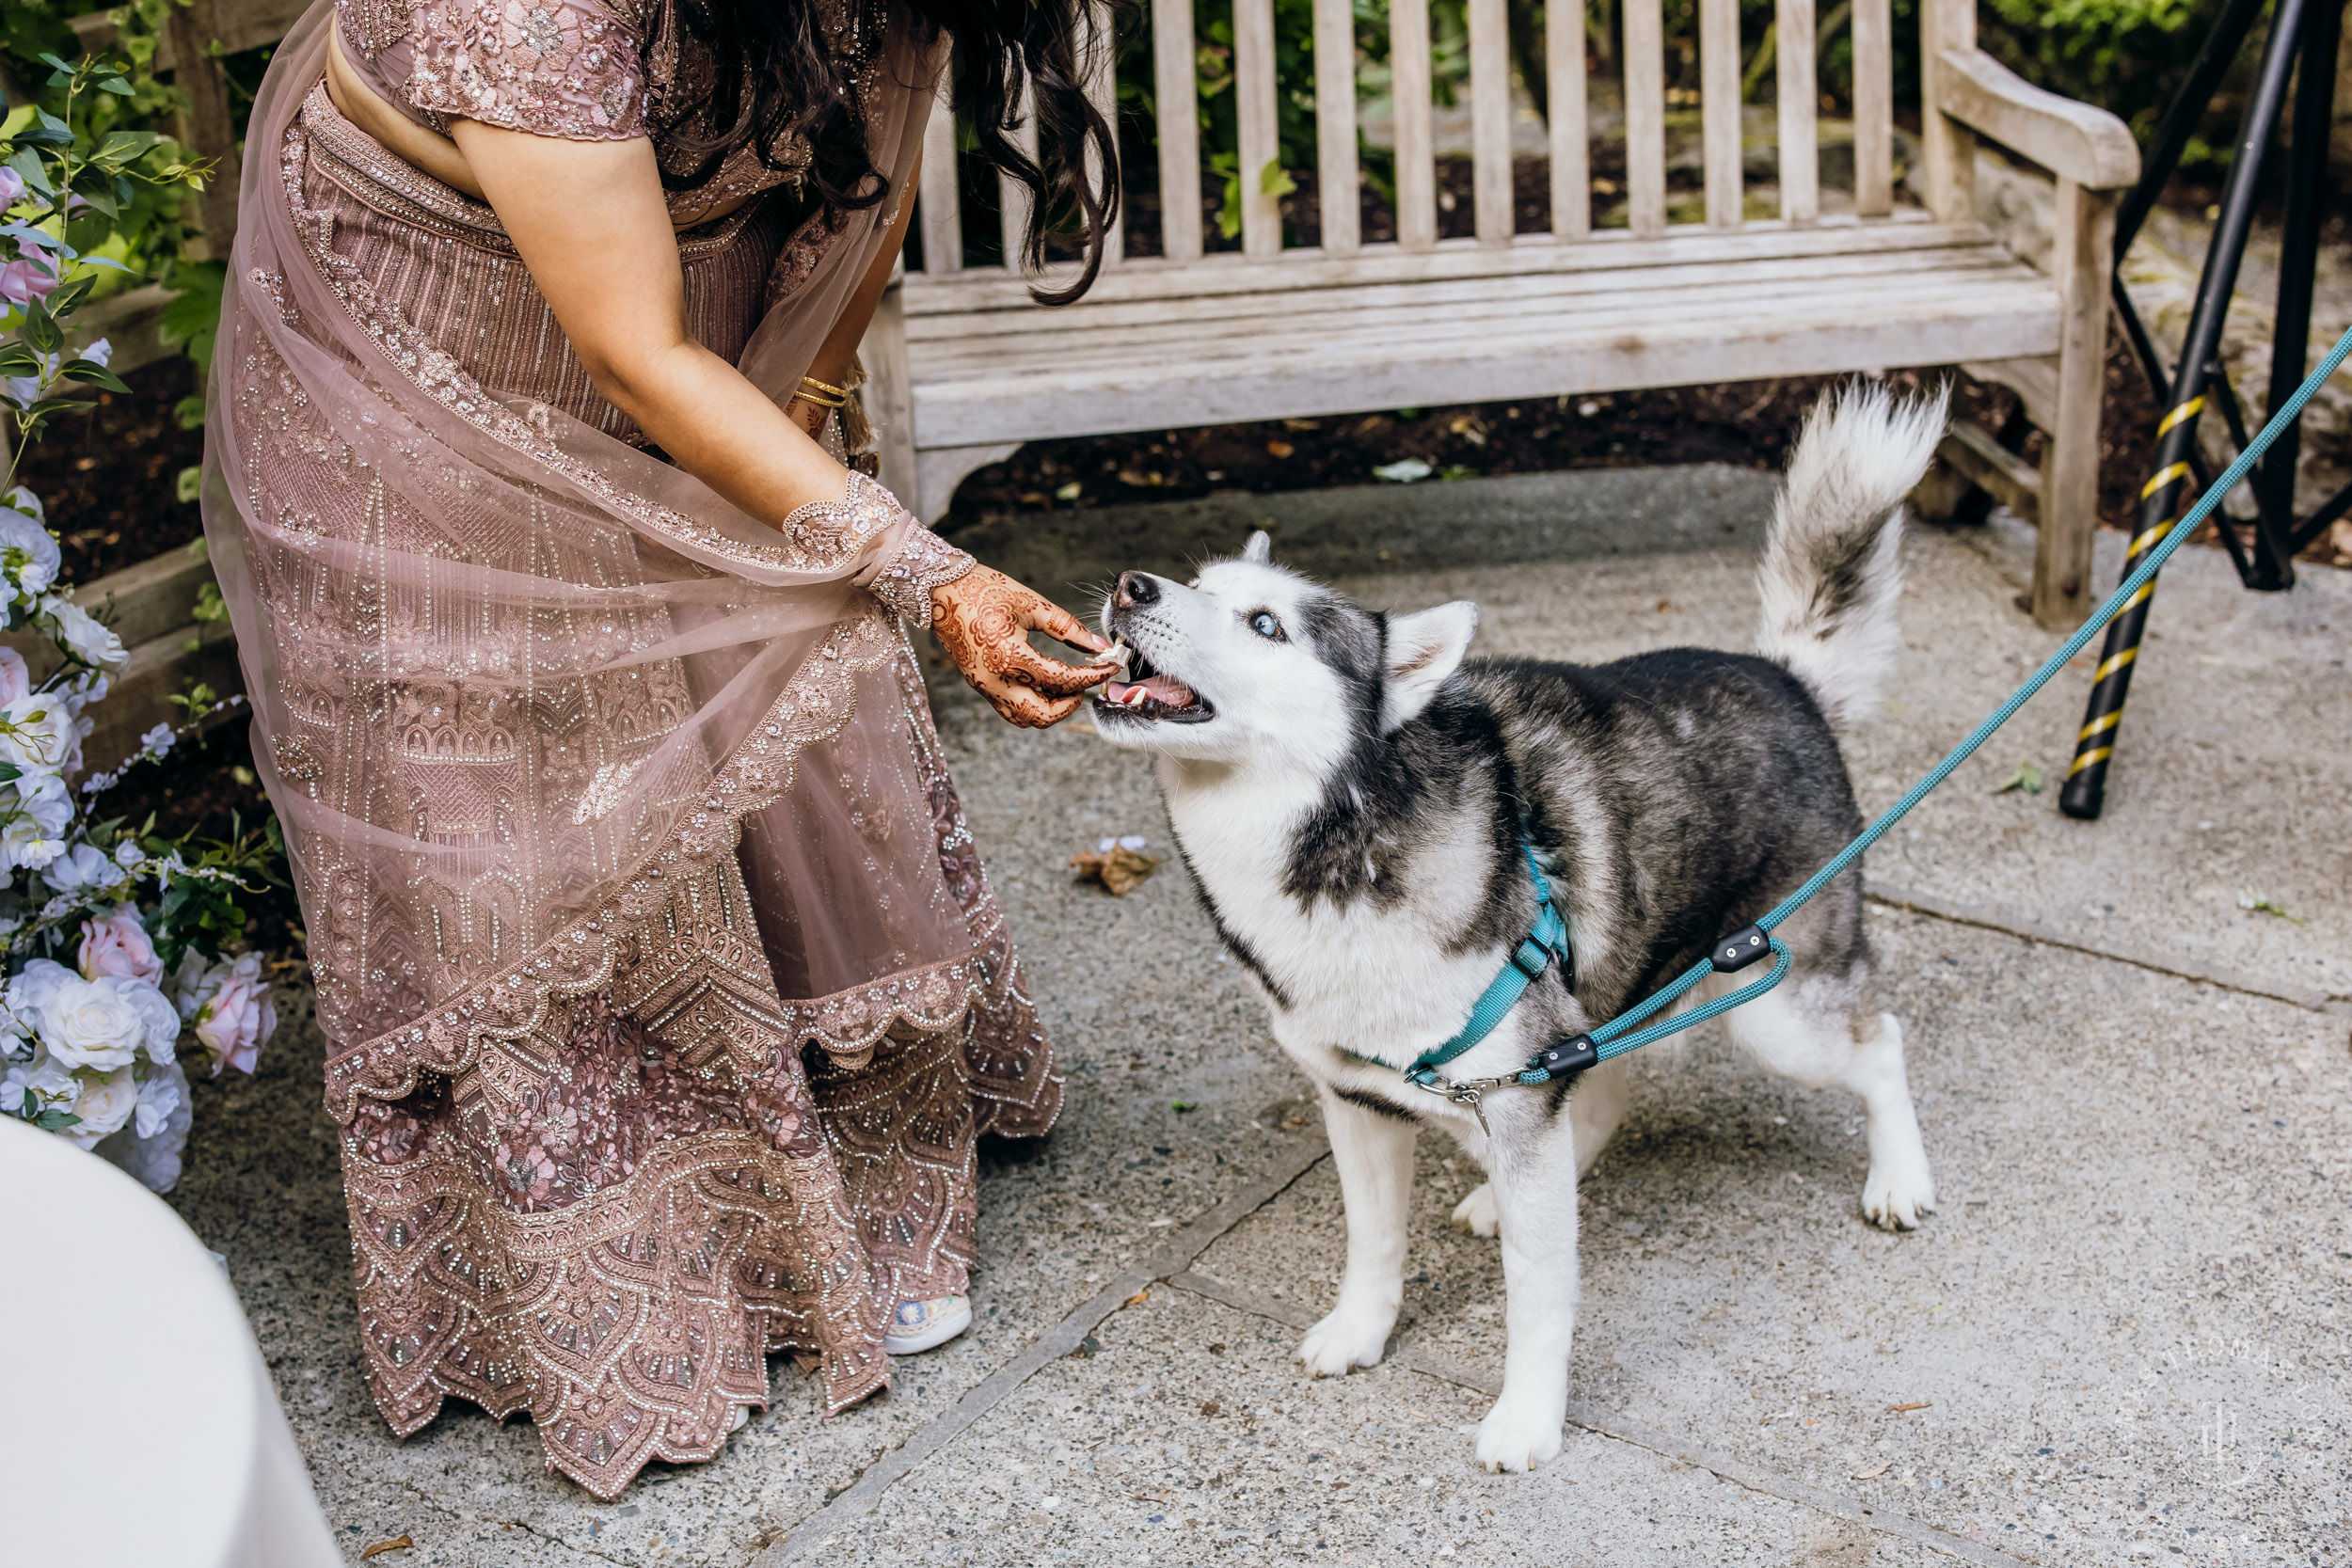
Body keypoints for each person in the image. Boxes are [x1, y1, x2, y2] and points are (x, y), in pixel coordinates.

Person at [200, 0, 1120, 1498]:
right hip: (414, 364)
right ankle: (631, 1259)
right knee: (513, 799)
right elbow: (633, 351)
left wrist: (796, 439)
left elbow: (864, 193)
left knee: (776, 642)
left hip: (681, 326)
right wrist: (926, 571)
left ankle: (825, 1171)